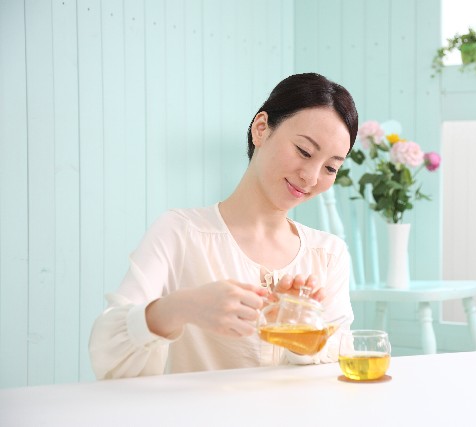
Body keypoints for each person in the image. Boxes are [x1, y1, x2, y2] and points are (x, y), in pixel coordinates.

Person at [89, 73, 359, 379]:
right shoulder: (180, 232)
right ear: (261, 129)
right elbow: (108, 349)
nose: (311, 177)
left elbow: (338, 365)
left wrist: (297, 324)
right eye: (304, 151)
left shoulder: (327, 254)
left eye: (330, 167)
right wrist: (182, 306)